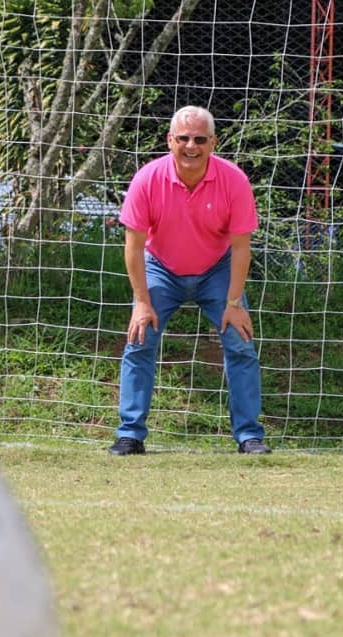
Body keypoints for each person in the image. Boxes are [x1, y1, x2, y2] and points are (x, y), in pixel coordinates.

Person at [109, 106, 271, 456]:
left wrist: (233, 303)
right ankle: (130, 434)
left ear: (213, 142)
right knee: (139, 340)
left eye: (199, 139)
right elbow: (133, 246)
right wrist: (141, 301)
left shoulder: (234, 180)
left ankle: (249, 435)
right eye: (183, 138)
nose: (191, 146)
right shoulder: (147, 179)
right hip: (160, 268)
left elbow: (241, 248)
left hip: (217, 269)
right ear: (170, 140)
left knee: (240, 343)